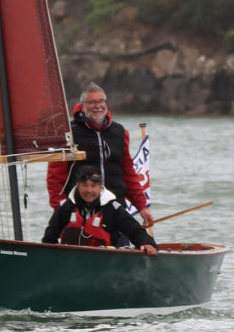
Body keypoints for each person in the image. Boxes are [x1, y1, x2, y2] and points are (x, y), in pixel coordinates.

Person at [46, 83, 155, 227]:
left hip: (115, 208)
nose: (97, 106)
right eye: (92, 102)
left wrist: (142, 206)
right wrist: (60, 209)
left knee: (123, 245)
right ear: (82, 106)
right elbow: (54, 178)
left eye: (101, 101)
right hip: (80, 211)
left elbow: (128, 174)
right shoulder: (67, 134)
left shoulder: (120, 132)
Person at [42, 164, 158, 254]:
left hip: (105, 266)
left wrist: (146, 243)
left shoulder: (113, 208)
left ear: (100, 187)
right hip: (71, 264)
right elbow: (49, 238)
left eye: (93, 186)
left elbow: (134, 230)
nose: (89, 191)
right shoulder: (65, 207)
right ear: (77, 185)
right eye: (84, 185)